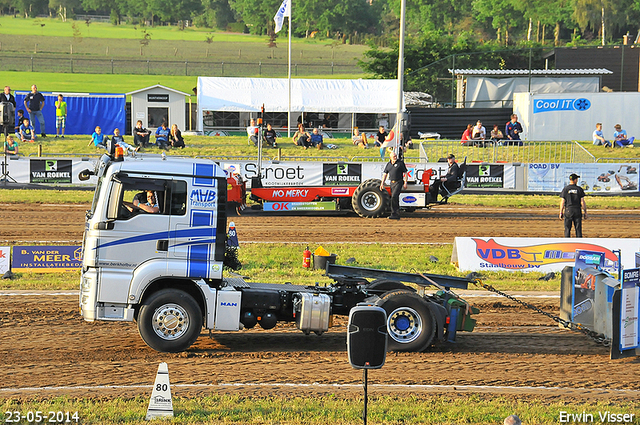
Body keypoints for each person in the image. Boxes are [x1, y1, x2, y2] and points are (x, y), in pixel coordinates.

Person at [379, 150, 408, 220]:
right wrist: (382, 183)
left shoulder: (400, 163)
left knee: (394, 196)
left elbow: (405, 173)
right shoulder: (388, 164)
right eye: (393, 156)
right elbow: (385, 174)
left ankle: (395, 213)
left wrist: (405, 182)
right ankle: (395, 213)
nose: (395, 157)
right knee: (394, 198)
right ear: (390, 157)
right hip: (392, 183)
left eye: (395, 156)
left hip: (399, 182)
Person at [559, 173, 587, 238]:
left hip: (568, 210)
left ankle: (567, 243)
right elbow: (582, 202)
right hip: (577, 210)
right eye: (577, 179)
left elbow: (562, 201)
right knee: (578, 229)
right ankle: (579, 243)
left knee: (567, 229)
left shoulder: (565, 189)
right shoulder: (579, 189)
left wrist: (561, 212)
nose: (577, 180)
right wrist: (585, 212)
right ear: (574, 180)